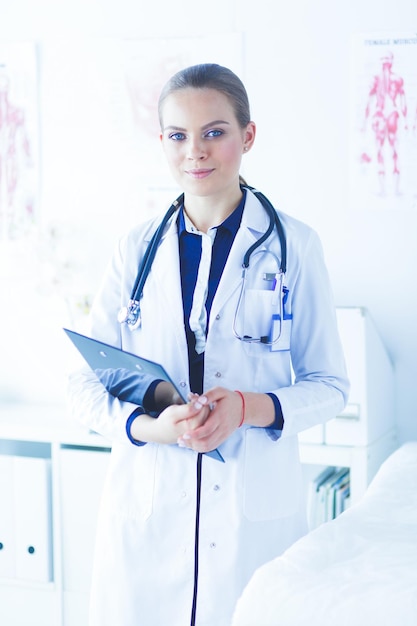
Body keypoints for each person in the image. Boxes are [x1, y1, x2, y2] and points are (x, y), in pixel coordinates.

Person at [68, 63, 349, 626]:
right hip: (147, 518)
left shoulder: (295, 245)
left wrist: (247, 407)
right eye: (178, 136)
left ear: (247, 136)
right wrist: (152, 428)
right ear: (163, 142)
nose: (194, 151)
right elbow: (83, 384)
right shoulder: (135, 248)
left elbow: (330, 386)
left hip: (250, 523)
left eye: (214, 132)